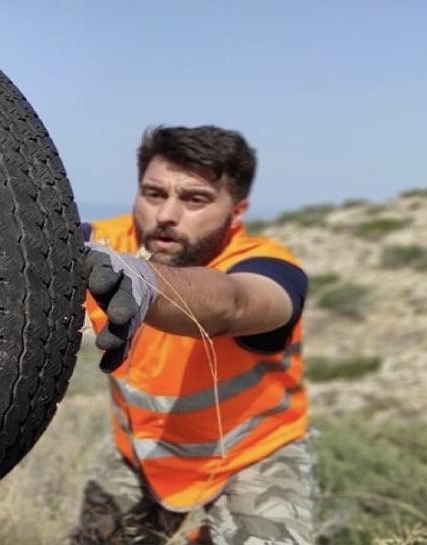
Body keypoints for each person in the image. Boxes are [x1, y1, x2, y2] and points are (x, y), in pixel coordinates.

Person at [72, 126, 316, 545]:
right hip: (141, 453)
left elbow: (234, 303)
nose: (166, 215)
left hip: (253, 457)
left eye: (195, 199)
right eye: (153, 194)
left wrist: (146, 281)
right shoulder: (105, 245)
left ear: (237, 211)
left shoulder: (270, 265)